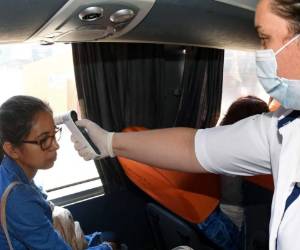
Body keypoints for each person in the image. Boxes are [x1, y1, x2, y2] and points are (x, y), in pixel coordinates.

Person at [72, 1, 300, 249]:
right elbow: (192, 147)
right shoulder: (281, 127)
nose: (262, 54)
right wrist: (109, 141)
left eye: (265, 38)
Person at [0, 96, 117, 250]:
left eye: (53, 134)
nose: (55, 145)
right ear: (12, 150)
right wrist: (108, 248)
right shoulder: (17, 198)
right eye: (44, 140)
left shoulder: (13, 173)